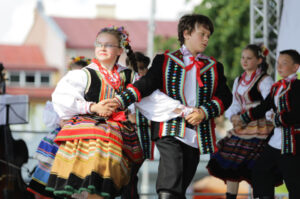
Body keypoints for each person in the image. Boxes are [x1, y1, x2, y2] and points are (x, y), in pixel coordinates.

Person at [113, 14, 232, 199]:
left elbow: (225, 97)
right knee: (171, 175)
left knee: (182, 184)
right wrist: (120, 100)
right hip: (169, 127)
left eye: (209, 35)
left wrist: (203, 112)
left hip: (195, 132)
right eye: (202, 34)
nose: (206, 39)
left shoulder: (214, 66)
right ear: (186, 33)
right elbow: (146, 85)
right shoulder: (165, 61)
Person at [45, 26, 144, 199]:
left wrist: (134, 115)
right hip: (88, 132)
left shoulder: (129, 76)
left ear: (120, 50)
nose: (103, 48)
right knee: (86, 179)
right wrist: (92, 107)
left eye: (109, 45)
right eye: (99, 44)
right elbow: (61, 98)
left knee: (106, 182)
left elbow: (144, 99)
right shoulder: (83, 74)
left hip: (117, 132)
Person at [206, 44, 276, 199]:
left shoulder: (265, 80)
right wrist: (233, 117)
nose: (244, 61)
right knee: (232, 164)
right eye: (243, 58)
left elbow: (270, 104)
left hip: (260, 128)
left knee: (258, 167)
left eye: (249, 58)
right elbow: (235, 103)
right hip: (243, 127)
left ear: (259, 60)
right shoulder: (239, 79)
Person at [238, 49, 300, 199]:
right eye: (278, 63)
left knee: (294, 182)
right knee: (260, 171)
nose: (279, 67)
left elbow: (297, 114)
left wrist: (276, 118)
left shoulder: (297, 86)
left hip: (291, 143)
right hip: (275, 141)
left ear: (296, 67)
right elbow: (265, 106)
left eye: (284, 64)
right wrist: (245, 117)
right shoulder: (277, 86)